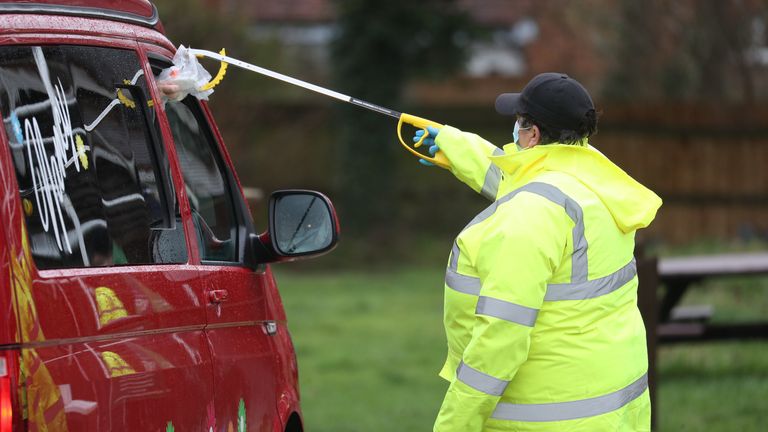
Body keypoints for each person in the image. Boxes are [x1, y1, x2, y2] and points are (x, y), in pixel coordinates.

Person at [415, 73, 661, 431]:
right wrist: (455, 146)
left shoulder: (529, 214)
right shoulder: (593, 180)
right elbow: (520, 176)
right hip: (611, 409)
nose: (513, 130)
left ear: (531, 134)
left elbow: (499, 342)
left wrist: (453, 425)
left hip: (549, 417)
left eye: (519, 121)